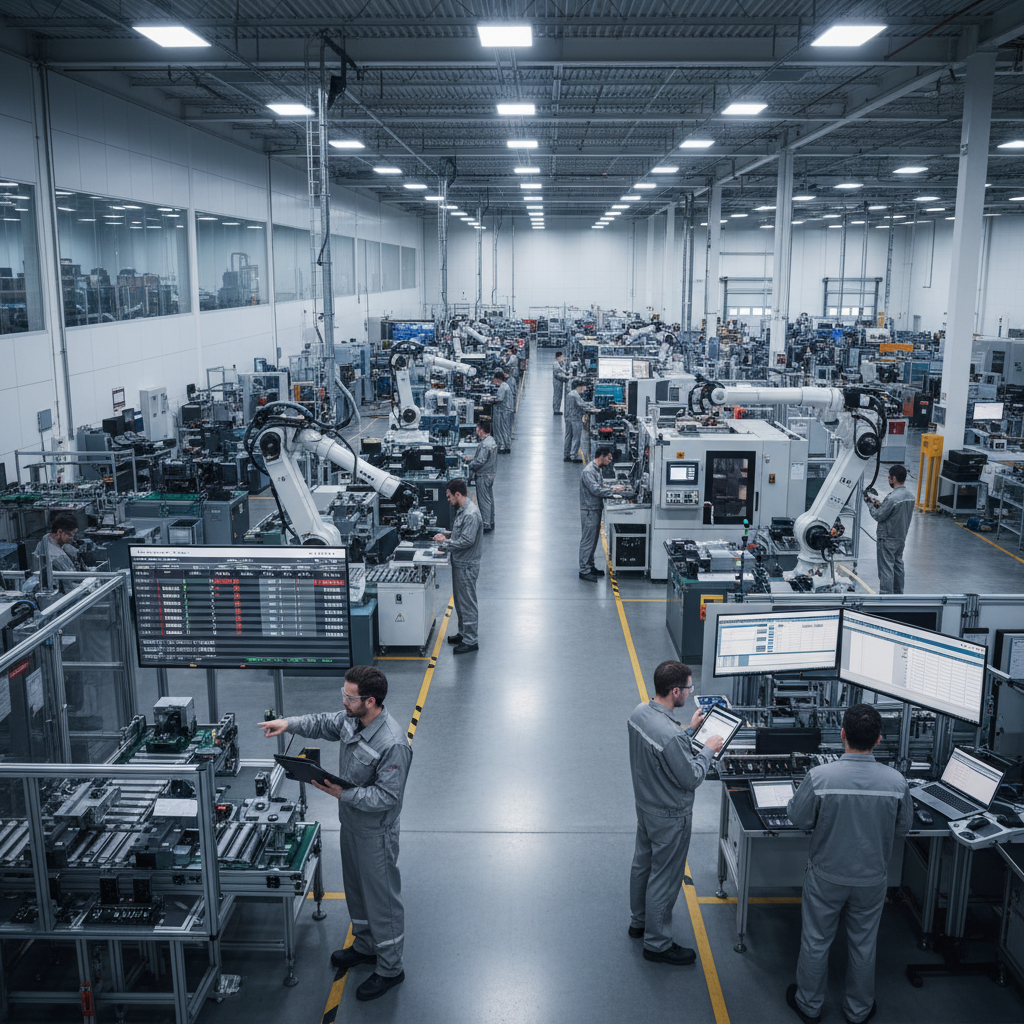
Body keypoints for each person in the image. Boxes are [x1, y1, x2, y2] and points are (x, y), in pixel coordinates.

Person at [259, 666, 412, 1002]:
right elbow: (322, 722)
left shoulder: (393, 744)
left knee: (382, 900)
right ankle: (366, 946)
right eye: (343, 693)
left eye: (349, 696)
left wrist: (342, 794)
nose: (343, 701)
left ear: (370, 701)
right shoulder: (351, 719)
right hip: (352, 824)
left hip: (376, 833)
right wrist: (288, 724)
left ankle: (390, 967)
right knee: (356, 891)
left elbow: (387, 797)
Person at [785, 704, 913, 1024]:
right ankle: (858, 1011)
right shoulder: (897, 783)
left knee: (816, 940)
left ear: (842, 734)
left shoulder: (820, 776)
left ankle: (809, 1005)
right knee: (864, 944)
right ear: (879, 739)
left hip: (827, 874)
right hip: (871, 878)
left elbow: (798, 818)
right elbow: (902, 828)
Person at [628, 661, 724, 965]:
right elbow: (692, 777)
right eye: (689, 688)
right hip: (670, 815)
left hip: (645, 806)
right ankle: (656, 944)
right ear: (675, 691)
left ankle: (639, 922)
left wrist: (689, 730)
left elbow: (664, 745)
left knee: (643, 863)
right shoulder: (672, 736)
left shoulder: (639, 713)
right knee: (665, 878)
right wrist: (707, 748)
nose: (690, 692)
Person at [433, 479, 483, 653]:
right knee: (460, 602)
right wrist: (446, 534)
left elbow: (467, 541)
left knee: (467, 603)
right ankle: (463, 633)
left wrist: (446, 542)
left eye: (449, 497)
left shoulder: (470, 514)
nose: (448, 500)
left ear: (458, 494)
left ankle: (471, 641)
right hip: (460, 563)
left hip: (467, 566)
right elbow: (460, 534)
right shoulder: (462, 511)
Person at [864, 464, 914, 594]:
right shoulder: (910, 496)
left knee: (886, 568)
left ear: (894, 478)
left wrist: (869, 504)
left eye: (889, 477)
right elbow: (895, 513)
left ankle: (885, 597)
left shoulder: (892, 498)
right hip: (901, 537)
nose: (888, 479)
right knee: (898, 566)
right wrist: (879, 504)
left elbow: (879, 516)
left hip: (887, 539)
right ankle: (898, 594)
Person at [579, 447, 624, 581]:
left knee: (593, 541)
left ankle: (590, 566)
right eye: (609, 458)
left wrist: (612, 487)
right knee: (587, 541)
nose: (610, 461)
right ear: (602, 456)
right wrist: (614, 493)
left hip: (595, 509)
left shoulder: (597, 469)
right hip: (589, 511)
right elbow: (595, 490)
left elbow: (600, 485)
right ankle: (584, 570)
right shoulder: (588, 471)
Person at [465, 419, 497, 532]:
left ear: (480, 429)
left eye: (477, 429)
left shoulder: (485, 445)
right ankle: (491, 521)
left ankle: (486, 524)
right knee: (489, 499)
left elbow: (480, 461)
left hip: (483, 476)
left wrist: (469, 464)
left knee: (483, 501)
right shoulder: (490, 440)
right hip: (489, 474)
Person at [563, 381, 589, 462]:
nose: (584, 390)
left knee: (568, 436)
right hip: (575, 419)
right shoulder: (575, 395)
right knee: (576, 437)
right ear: (580, 387)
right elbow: (582, 405)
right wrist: (592, 405)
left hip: (568, 418)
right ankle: (574, 456)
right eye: (584, 388)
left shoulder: (570, 393)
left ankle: (566, 455)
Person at [492, 372, 513, 453]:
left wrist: (491, 400)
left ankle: (502, 447)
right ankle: (507, 445)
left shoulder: (502, 387)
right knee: (505, 428)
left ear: (497, 379)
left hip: (503, 410)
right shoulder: (505, 385)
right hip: (506, 410)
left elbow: (499, 399)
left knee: (501, 428)